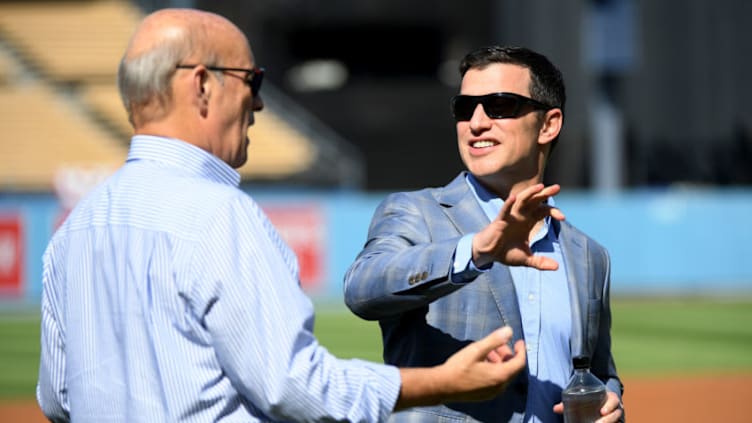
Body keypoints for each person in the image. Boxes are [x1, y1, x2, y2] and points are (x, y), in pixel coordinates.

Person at [36, 10, 528, 423]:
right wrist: (446, 382)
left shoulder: (76, 227)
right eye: (252, 80)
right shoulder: (219, 216)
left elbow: (57, 398)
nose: (259, 102)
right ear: (202, 84)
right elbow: (295, 386)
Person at [344, 45, 624, 422]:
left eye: (500, 105)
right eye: (464, 108)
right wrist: (475, 250)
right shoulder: (417, 213)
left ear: (549, 124)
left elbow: (600, 371)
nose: (476, 122)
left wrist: (608, 400)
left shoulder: (590, 256)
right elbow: (362, 288)